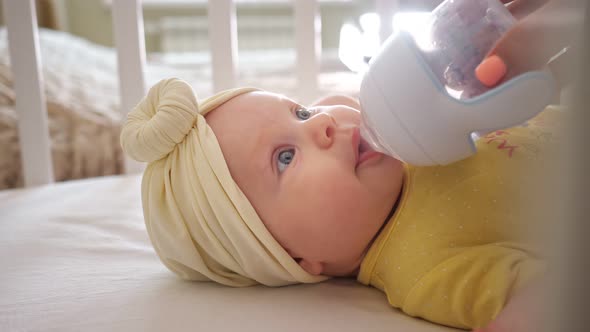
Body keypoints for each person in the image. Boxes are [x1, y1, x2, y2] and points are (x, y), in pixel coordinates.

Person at [120, 75, 562, 330]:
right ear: (294, 257)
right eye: (285, 158)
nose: (324, 123)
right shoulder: (426, 267)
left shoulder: (412, 141)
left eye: (301, 112)